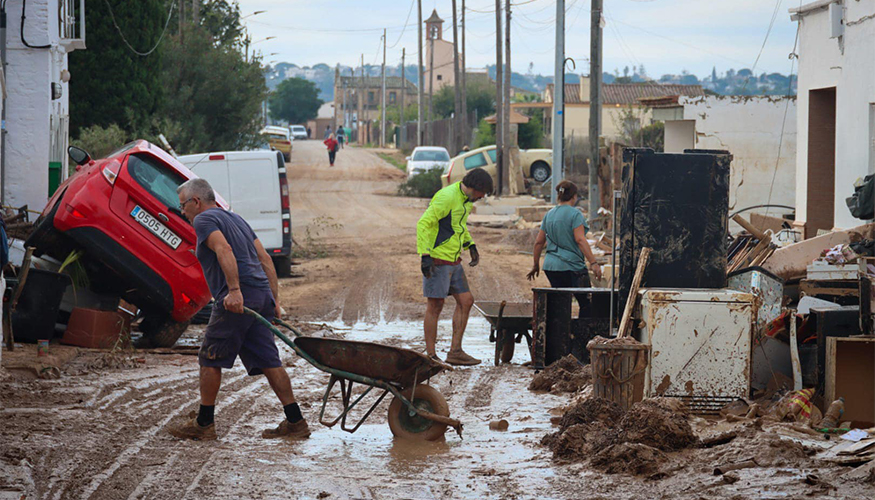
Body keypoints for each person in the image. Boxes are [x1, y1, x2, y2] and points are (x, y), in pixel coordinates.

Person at [169, 178, 310, 441]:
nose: (182, 212)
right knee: (270, 361)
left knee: (210, 358)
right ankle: (295, 421)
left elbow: (224, 248)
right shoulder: (237, 219)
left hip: (238, 299)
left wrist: (234, 292)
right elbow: (265, 259)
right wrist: (273, 300)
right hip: (259, 295)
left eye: (183, 206)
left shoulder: (203, 220)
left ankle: (204, 424)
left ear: (196, 202)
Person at [416, 168, 493, 366]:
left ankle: (455, 352)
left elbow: (457, 226)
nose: (482, 197)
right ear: (475, 187)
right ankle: (431, 356)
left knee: (466, 301)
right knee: (435, 306)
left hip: (453, 259)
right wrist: (425, 255)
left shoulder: (465, 201)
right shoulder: (447, 197)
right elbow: (423, 224)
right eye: (482, 192)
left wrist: (470, 245)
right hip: (437, 259)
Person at [527, 180, 603, 315]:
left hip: (552, 267)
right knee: (586, 303)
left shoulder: (549, 214)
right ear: (574, 197)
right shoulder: (575, 214)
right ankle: (583, 334)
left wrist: (535, 265)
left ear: (558, 196)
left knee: (560, 304)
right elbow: (580, 239)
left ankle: (560, 334)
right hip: (572, 267)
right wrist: (594, 262)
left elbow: (538, 242)